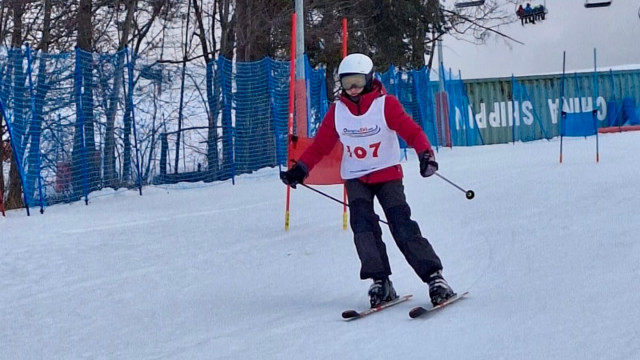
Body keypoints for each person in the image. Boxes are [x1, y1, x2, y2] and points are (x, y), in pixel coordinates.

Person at [280, 53, 456, 308]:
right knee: (363, 228)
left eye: (358, 82)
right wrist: (301, 169)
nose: (352, 89)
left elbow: (411, 130)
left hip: (387, 174)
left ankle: (434, 278)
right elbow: (321, 145)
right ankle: (380, 281)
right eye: (347, 82)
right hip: (356, 177)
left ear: (370, 79)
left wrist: (425, 154)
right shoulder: (338, 111)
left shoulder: (386, 105)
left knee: (401, 224)